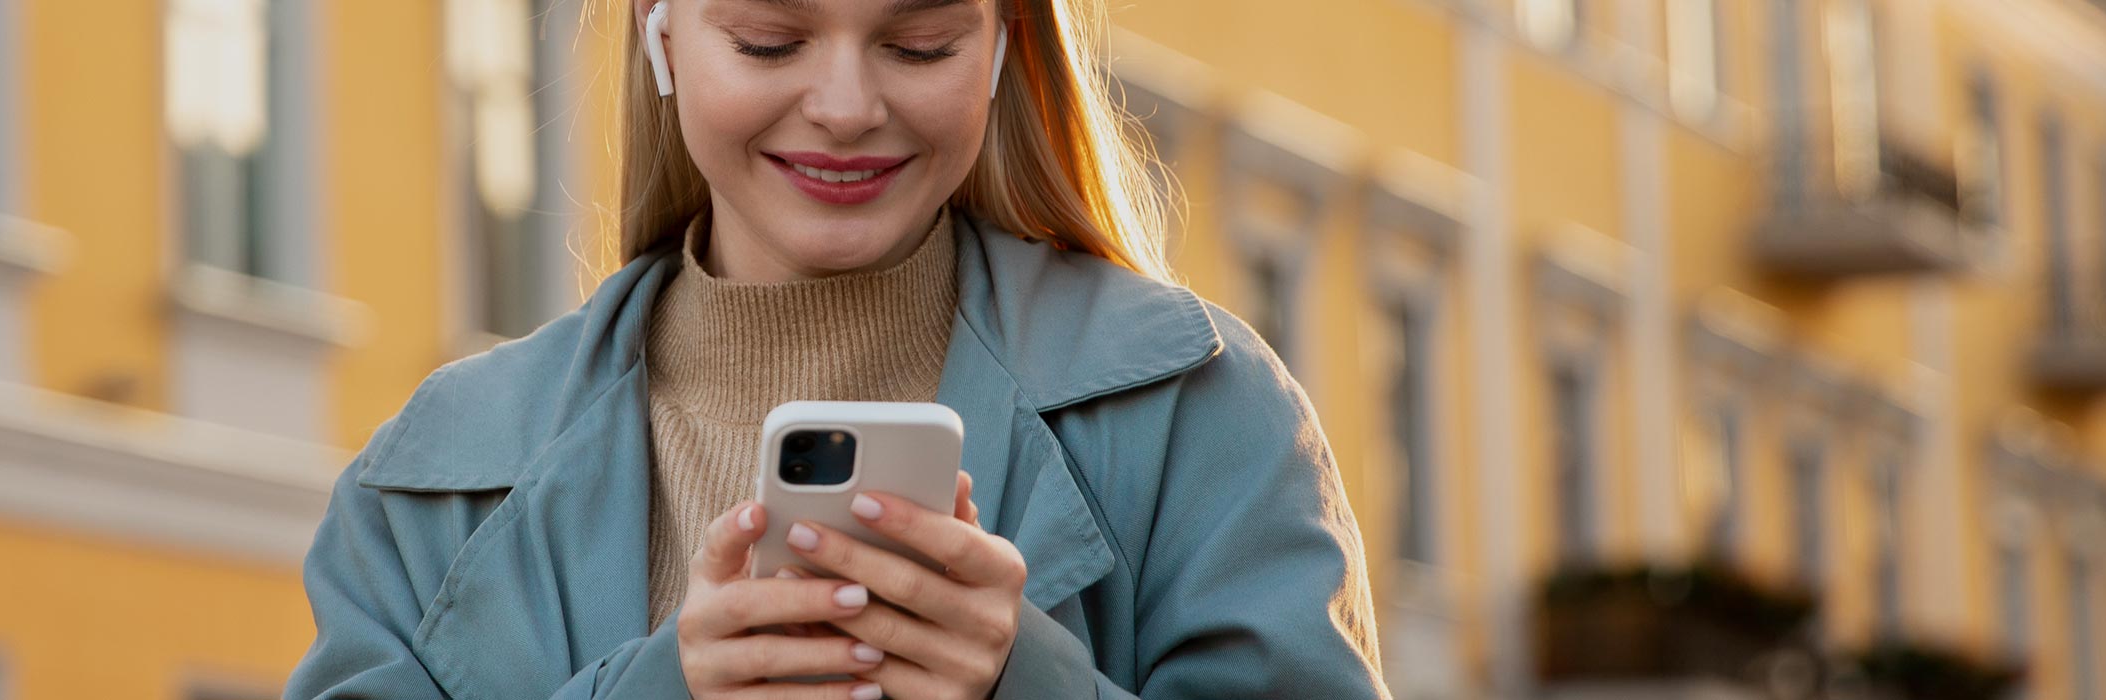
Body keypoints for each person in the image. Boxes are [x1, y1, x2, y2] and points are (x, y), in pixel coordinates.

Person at [287, 0, 1386, 697]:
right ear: (658, 32)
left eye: (919, 43)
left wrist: (1025, 687)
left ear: (1003, 40)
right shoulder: (423, 485)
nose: (847, 106)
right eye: (770, 38)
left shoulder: (1203, 413)